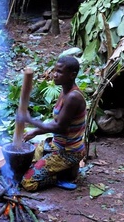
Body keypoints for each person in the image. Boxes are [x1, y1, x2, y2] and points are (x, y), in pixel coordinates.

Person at [18, 56, 86, 192]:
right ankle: (61, 170)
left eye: (59, 72)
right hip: (57, 144)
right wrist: (35, 131)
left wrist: (30, 120)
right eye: (54, 70)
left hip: (68, 152)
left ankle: (60, 176)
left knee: (27, 182)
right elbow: (57, 121)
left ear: (72, 75)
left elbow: (59, 127)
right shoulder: (64, 90)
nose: (54, 74)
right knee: (25, 158)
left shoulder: (73, 97)